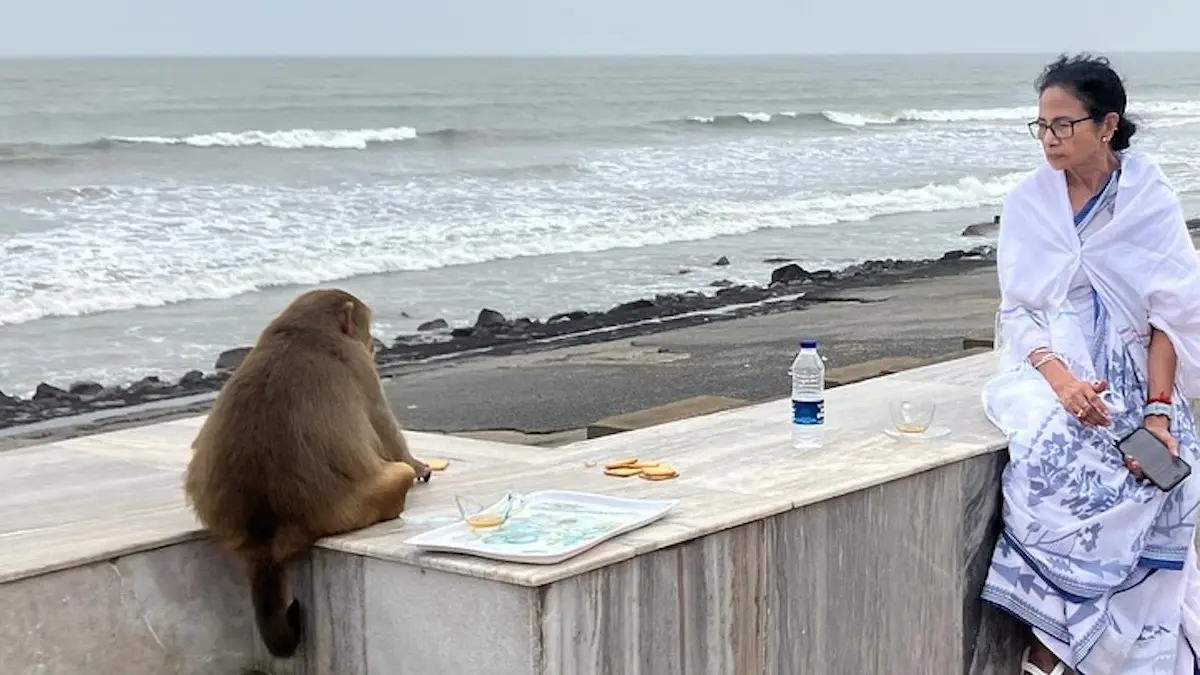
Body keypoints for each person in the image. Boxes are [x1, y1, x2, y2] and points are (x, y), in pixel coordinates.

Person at [981, 53, 1200, 675]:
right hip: (1052, 366)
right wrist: (1063, 381)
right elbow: (1019, 312)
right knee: (1054, 464)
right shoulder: (1029, 202)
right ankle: (1051, 653)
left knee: (1167, 472)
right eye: (1041, 126)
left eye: (1063, 125)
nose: (1049, 139)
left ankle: (1121, 655)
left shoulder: (1147, 196)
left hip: (1139, 370)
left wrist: (1159, 414)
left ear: (1107, 125)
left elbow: (1171, 316)